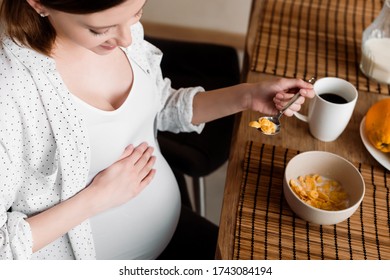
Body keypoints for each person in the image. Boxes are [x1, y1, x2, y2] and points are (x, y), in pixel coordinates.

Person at [0, 0, 314, 260]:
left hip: (173, 229)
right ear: (39, 3)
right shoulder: (11, 91)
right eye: (101, 29)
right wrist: (95, 199)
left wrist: (246, 96)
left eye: (138, 11)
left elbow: (159, 106)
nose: (126, 38)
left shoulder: (123, 29)